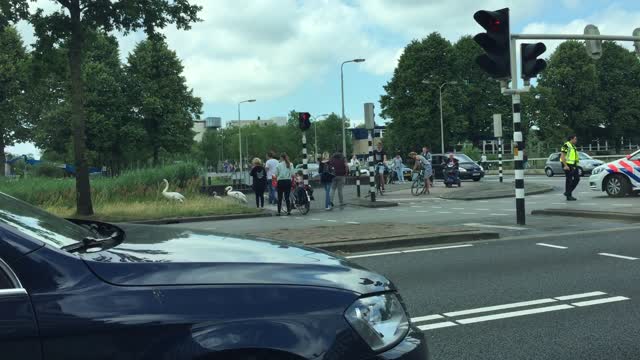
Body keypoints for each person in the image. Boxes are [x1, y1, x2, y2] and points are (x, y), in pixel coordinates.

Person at [560, 135, 580, 201]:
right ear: (571, 139)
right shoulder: (566, 145)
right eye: (575, 139)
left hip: (573, 165)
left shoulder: (573, 146)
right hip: (567, 164)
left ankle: (567, 193)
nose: (576, 140)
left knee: (577, 178)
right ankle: (569, 196)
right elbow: (562, 156)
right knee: (569, 180)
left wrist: (576, 164)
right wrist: (565, 165)